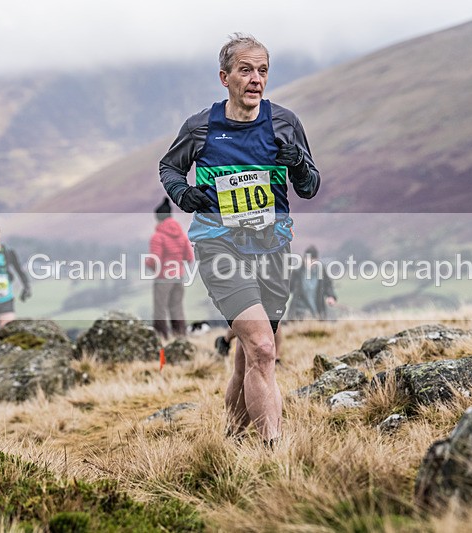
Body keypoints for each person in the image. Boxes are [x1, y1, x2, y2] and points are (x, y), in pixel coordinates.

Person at [160, 33, 320, 443]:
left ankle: (232, 439)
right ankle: (273, 454)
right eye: (246, 70)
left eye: (262, 71)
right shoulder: (201, 128)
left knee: (248, 354)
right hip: (220, 247)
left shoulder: (284, 123)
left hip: (273, 250)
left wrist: (298, 162)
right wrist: (184, 193)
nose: (255, 79)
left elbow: (310, 186)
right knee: (265, 348)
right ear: (224, 77)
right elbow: (169, 168)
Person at [144, 197, 194, 339]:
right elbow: (189, 257)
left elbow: (155, 260)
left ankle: (162, 339)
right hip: (178, 276)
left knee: (160, 309)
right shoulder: (182, 236)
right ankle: (180, 338)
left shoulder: (158, 237)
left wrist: (147, 264)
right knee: (177, 308)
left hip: (163, 278)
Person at [288, 245, 337, 320]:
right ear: (304, 259)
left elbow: (328, 285)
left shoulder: (321, 271)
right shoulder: (297, 272)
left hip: (317, 311)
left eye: (312, 260)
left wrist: (331, 296)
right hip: (299, 312)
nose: (310, 262)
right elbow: (288, 288)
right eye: (308, 259)